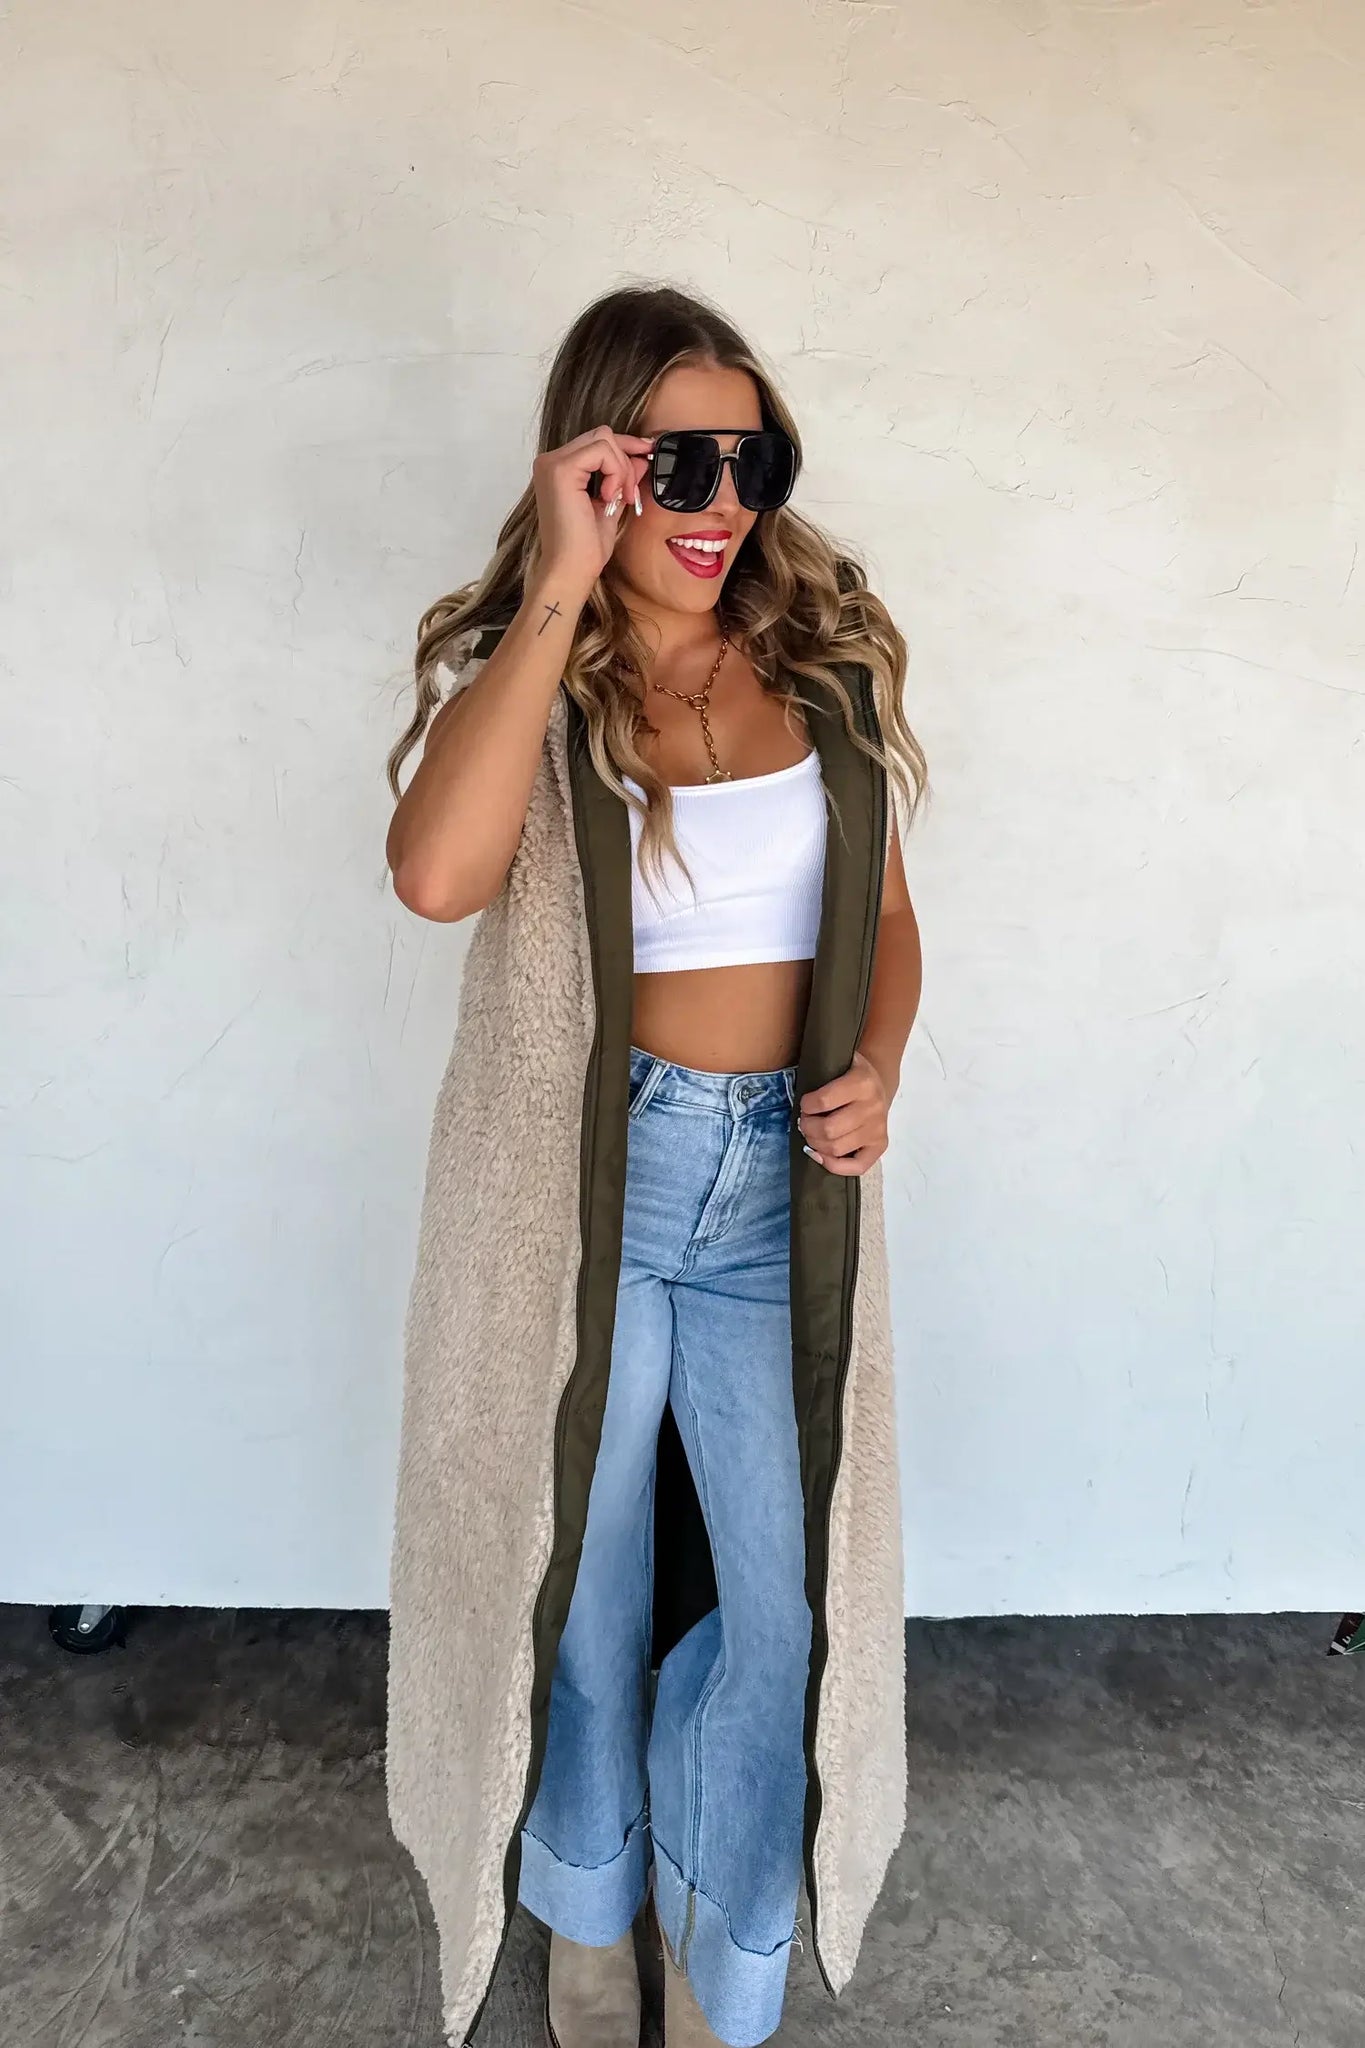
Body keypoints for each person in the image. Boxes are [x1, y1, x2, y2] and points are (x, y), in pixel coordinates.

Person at [383, 281, 928, 2048]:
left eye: (753, 461)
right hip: (588, 1194)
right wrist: (559, 581)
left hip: (781, 1192)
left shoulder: (824, 665)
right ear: (594, 462)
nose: (722, 503)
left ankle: (713, 1923)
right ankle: (584, 1900)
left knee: (783, 1609)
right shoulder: (530, 682)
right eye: (677, 463)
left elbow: (886, 920)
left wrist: (876, 1063)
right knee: (583, 1582)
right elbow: (435, 878)